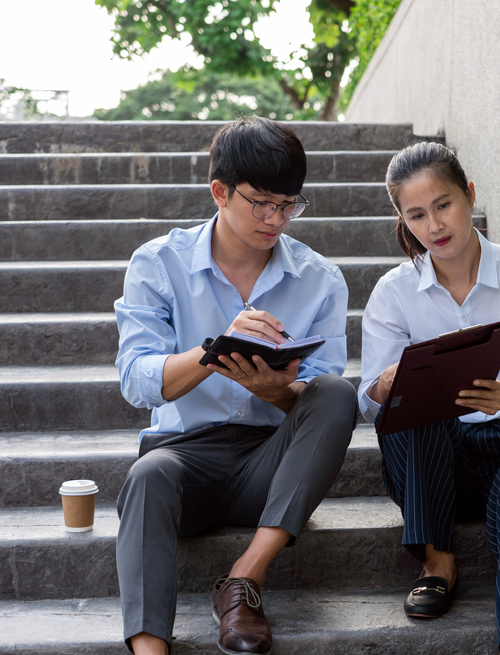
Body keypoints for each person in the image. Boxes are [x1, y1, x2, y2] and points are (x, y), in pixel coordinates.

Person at [114, 116, 358, 655]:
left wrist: (274, 390)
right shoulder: (158, 263)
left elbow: (320, 400)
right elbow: (136, 379)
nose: (276, 219)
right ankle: (149, 648)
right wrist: (212, 349)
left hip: (273, 467)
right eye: (262, 203)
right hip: (184, 460)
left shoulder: (320, 279)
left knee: (337, 393)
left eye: (289, 204)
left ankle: (244, 579)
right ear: (219, 191)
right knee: (147, 475)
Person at [358, 142, 500, 655]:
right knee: (419, 407)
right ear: (403, 220)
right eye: (416, 214)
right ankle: (437, 560)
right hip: (433, 469)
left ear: (469, 196)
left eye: (444, 204)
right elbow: (370, 407)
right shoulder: (393, 293)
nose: (435, 224)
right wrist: (388, 384)